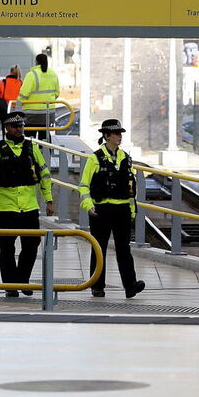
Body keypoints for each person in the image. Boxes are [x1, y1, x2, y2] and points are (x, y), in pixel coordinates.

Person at [0, 111, 55, 298]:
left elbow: (45, 174)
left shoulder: (32, 147)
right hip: (6, 208)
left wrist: (49, 199)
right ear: (6, 127)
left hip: (29, 207)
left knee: (31, 246)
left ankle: (22, 280)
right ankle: (10, 285)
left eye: (21, 126)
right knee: (7, 248)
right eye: (14, 126)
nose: (18, 129)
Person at [78, 119, 144, 299]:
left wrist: (132, 211)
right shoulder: (95, 158)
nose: (119, 136)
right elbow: (83, 186)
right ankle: (97, 286)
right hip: (101, 210)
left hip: (122, 210)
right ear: (106, 136)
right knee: (99, 249)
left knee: (124, 250)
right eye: (116, 133)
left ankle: (130, 286)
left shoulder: (126, 158)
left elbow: (131, 188)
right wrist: (89, 207)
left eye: (120, 133)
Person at [18, 53, 60, 141]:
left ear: (36, 62)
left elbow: (23, 94)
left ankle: (30, 154)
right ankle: (45, 153)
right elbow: (57, 93)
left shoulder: (32, 74)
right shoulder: (53, 74)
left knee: (29, 137)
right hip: (48, 113)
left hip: (32, 114)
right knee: (45, 136)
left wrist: (18, 103)